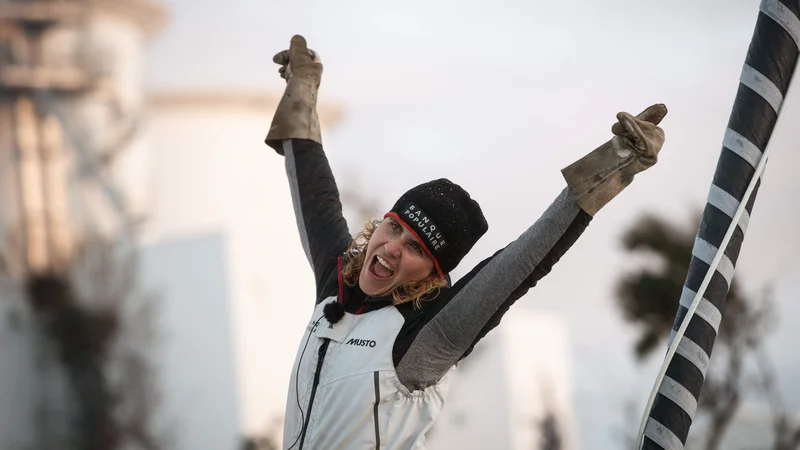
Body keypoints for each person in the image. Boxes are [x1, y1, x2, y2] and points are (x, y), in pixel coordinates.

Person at [265, 35, 667, 450]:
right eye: (395, 227)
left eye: (418, 249)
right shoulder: (337, 281)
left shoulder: (424, 339)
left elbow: (519, 263)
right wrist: (302, 88)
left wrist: (616, 162)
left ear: (431, 276)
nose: (392, 247)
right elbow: (315, 194)